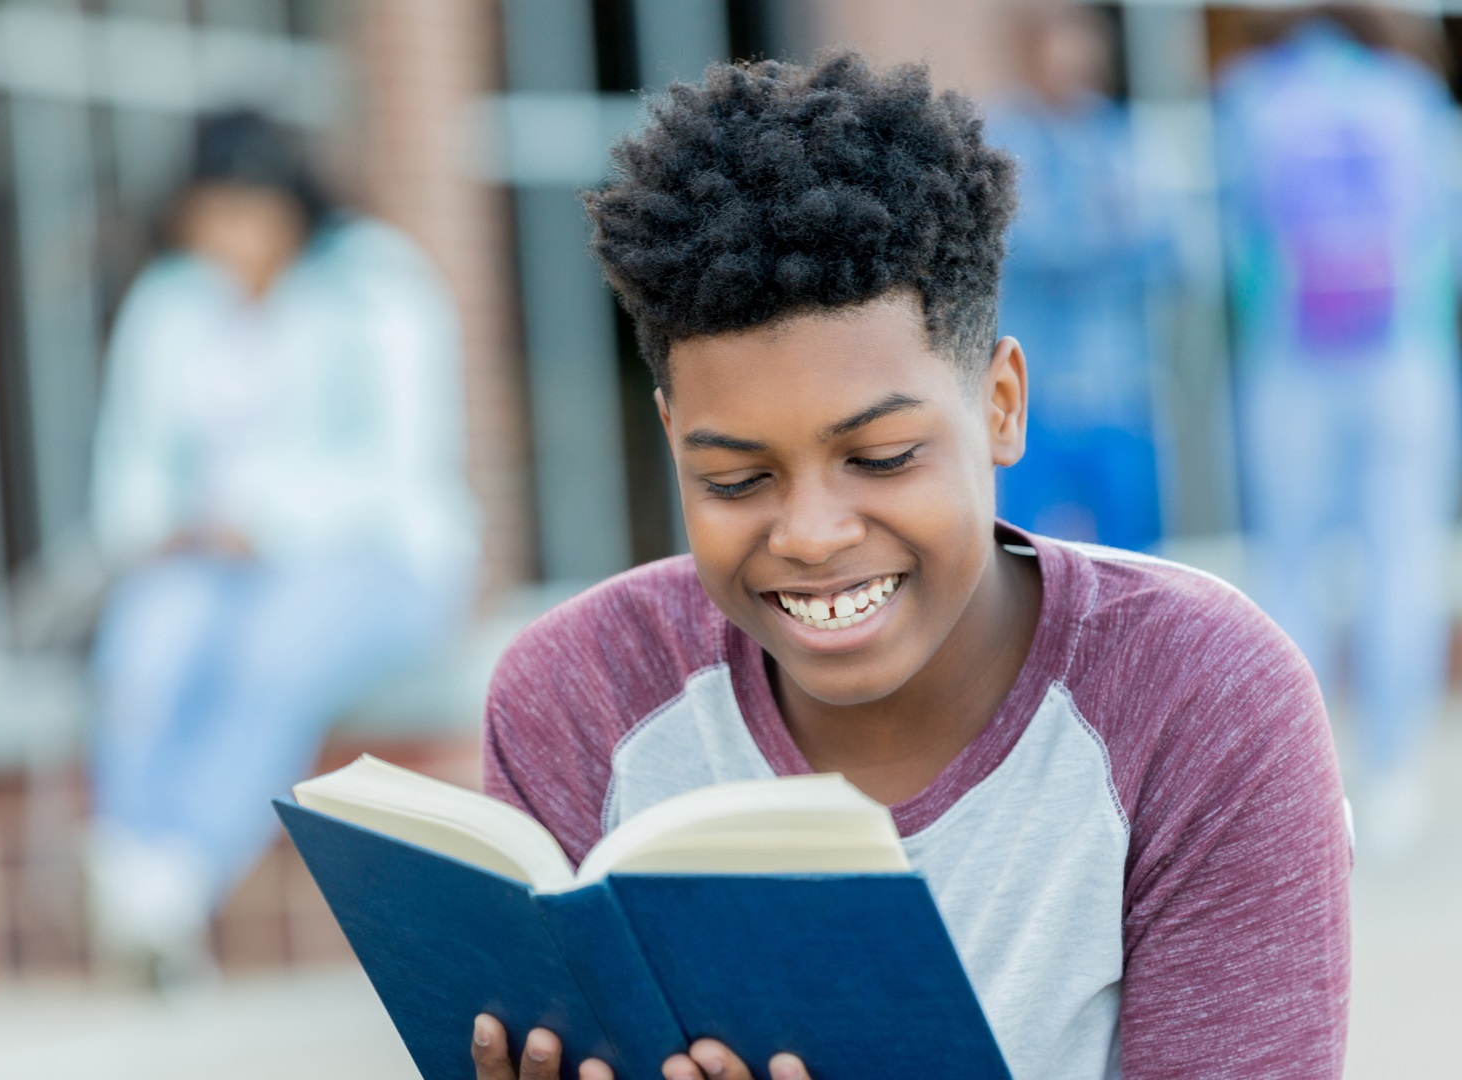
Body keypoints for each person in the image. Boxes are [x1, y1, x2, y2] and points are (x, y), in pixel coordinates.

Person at [470, 53, 1349, 1080]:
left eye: (880, 459)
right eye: (735, 479)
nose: (809, 533)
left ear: (1000, 405)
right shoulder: (579, 699)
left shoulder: (1200, 700)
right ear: (673, 443)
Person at [88, 111, 479, 978]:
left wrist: (262, 519)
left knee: (273, 650)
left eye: (248, 213)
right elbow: (132, 464)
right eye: (212, 217)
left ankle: (176, 877)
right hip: (205, 562)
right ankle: (129, 864)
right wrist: (169, 530)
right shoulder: (170, 299)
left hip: (370, 559)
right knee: (149, 641)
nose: (231, 240)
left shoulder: (376, 281)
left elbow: (403, 462)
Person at [1216, 13, 1460, 860]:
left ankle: (1304, 779)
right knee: (1401, 561)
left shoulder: (1251, 98)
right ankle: (1393, 776)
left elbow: (1235, 241)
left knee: (1290, 568)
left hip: (1292, 364)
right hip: (1402, 362)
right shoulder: (1412, 96)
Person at [988, 1, 1174, 551]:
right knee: (1022, 547)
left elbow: (1167, 247)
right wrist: (1108, 236)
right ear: (1030, 54)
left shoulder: (1122, 138)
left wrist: (1094, 240)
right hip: (1031, 391)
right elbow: (1027, 244)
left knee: (1135, 550)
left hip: (1119, 388)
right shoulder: (1000, 139)